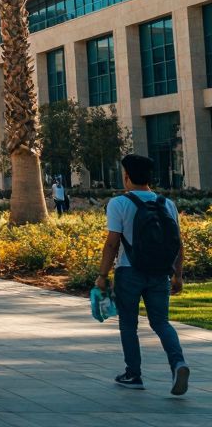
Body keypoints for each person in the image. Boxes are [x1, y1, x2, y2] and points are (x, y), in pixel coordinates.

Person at [95, 154, 190, 395]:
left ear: (127, 176)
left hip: (129, 272)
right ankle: (178, 363)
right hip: (159, 273)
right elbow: (178, 243)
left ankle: (133, 374)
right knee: (161, 322)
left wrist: (102, 275)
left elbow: (112, 243)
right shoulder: (166, 204)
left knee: (128, 324)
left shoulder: (119, 203)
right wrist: (177, 275)